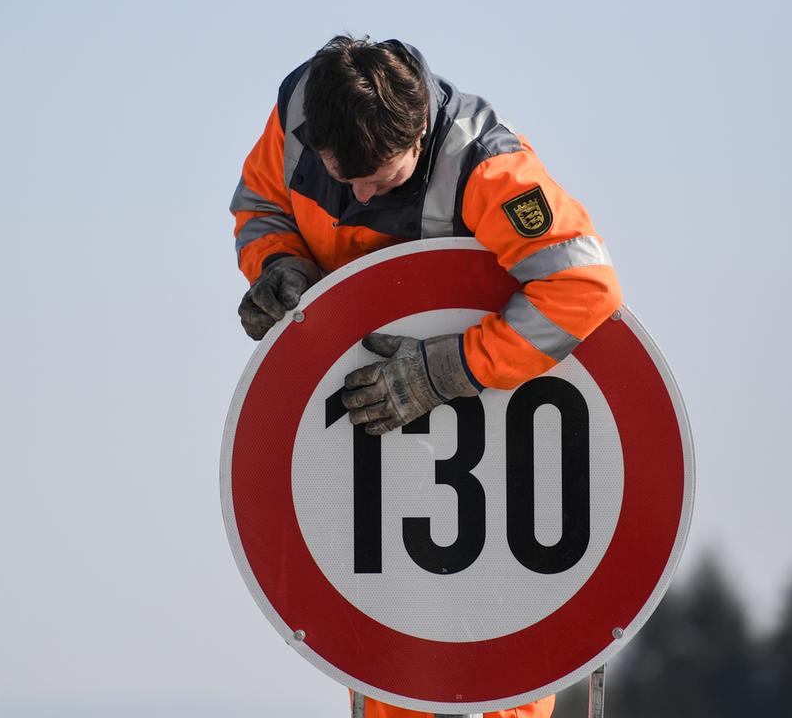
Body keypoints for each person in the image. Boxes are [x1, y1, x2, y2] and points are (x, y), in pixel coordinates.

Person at [230, 36, 621, 718]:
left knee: (507, 680)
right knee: (388, 667)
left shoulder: (488, 167)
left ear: (418, 131)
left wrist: (449, 371)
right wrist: (277, 265)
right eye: (337, 174)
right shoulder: (298, 114)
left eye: (376, 179)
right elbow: (260, 209)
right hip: (370, 453)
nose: (354, 194)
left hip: (500, 456)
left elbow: (581, 287)